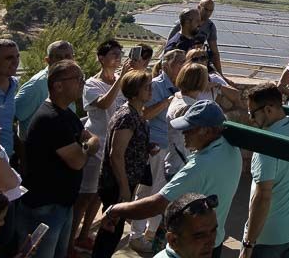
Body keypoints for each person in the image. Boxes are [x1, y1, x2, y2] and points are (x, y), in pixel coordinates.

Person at [103, 101, 242, 258]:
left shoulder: (200, 167)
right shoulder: (231, 148)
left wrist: (114, 211)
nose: (184, 133)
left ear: (207, 131)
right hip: (212, 243)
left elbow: (156, 205)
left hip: (191, 250)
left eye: (190, 129)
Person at [16, 60, 100, 258]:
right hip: (45, 206)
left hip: (61, 203)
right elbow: (79, 160)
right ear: (58, 85)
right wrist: (89, 148)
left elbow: (89, 138)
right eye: (78, 79)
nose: (83, 83)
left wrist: (87, 145)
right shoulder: (50, 118)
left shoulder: (66, 114)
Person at [241, 84, 289, 258]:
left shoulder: (265, 146)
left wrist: (248, 243)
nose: (250, 118)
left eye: (252, 113)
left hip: (271, 237)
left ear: (268, 110)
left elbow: (262, 197)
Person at [127, 51, 187, 251]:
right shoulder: (156, 85)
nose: (182, 66)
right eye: (179, 62)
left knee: (163, 193)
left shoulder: (181, 85)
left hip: (171, 148)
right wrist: (167, 102)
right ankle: (135, 235)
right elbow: (144, 114)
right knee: (146, 192)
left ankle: (150, 234)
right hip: (155, 146)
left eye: (184, 62)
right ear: (167, 64)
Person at [74, 39, 130, 250]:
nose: (118, 58)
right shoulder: (91, 84)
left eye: (119, 53)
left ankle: (84, 234)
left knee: (98, 195)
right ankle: (71, 239)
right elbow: (105, 103)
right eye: (113, 54)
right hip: (95, 146)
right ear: (101, 58)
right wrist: (121, 79)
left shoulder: (119, 81)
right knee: (84, 196)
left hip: (112, 146)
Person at [96, 70, 154, 253]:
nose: (151, 90)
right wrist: (124, 188)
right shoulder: (127, 116)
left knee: (114, 230)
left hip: (125, 181)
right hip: (116, 184)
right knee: (110, 232)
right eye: (147, 87)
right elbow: (116, 154)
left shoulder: (136, 114)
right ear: (135, 91)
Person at [12, 41, 75, 139]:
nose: (64, 61)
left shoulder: (69, 80)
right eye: (58, 57)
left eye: (67, 56)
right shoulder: (37, 85)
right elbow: (12, 118)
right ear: (48, 60)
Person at [166, 64, 212, 181]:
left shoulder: (178, 97)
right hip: (182, 167)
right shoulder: (189, 108)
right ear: (200, 82)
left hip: (174, 161)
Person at [166, 0, 225, 80]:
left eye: (211, 11)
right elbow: (169, 49)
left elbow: (215, 52)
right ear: (199, 7)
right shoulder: (181, 28)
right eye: (206, 9)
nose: (208, 13)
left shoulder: (210, 26)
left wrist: (220, 75)